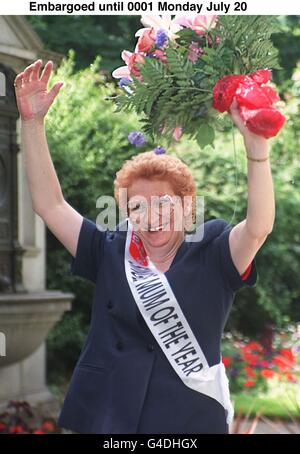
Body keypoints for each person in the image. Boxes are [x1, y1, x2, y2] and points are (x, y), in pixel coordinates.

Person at [14, 59, 275, 434]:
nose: (151, 217)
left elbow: (259, 227)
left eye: (164, 205)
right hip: (105, 415)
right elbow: (49, 205)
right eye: (137, 206)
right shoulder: (108, 250)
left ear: (187, 208)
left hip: (188, 418)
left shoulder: (214, 250)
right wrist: (32, 124)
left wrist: (257, 151)